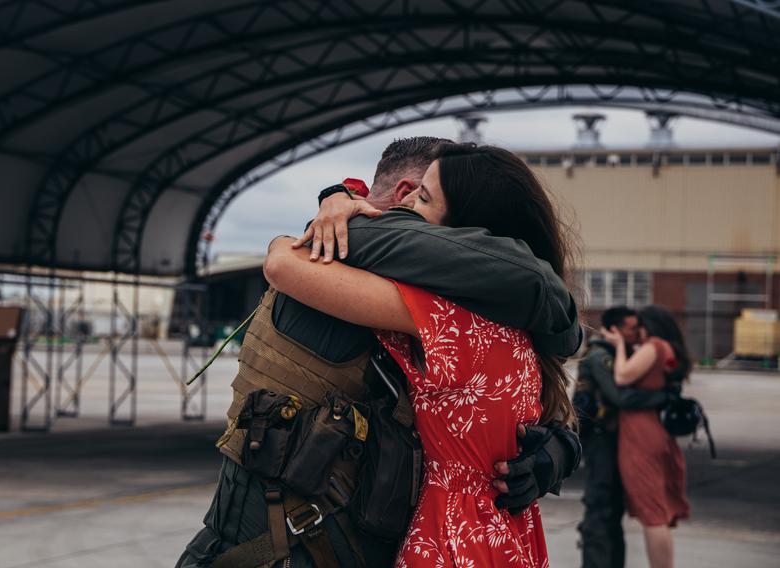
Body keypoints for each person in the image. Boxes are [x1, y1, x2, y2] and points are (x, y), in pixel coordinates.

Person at [178, 137, 583, 568]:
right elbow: (286, 264)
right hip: (275, 551)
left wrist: (558, 447)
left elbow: (515, 405)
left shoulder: (461, 313)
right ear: (405, 193)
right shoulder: (353, 282)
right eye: (419, 196)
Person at [574, 307, 671, 568]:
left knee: (612, 508)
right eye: (631, 327)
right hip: (600, 439)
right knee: (601, 505)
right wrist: (663, 398)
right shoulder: (600, 356)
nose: (637, 331)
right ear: (615, 329)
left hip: (612, 439)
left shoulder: (618, 353)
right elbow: (621, 397)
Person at [600, 305, 690, 568]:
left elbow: (622, 375)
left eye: (638, 325)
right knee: (657, 510)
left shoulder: (654, 346)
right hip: (656, 430)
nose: (635, 331)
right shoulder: (669, 350)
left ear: (648, 325)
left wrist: (617, 346)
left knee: (652, 513)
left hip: (639, 434)